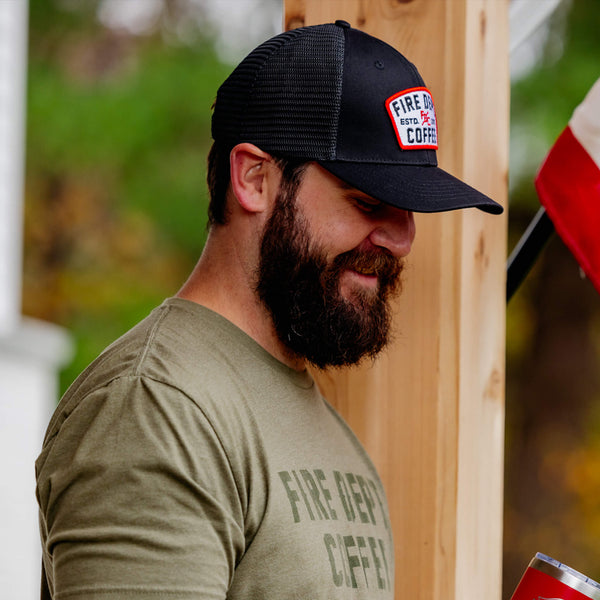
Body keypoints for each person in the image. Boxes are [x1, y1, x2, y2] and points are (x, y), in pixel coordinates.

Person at [35, 20, 502, 600]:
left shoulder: (320, 427)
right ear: (254, 178)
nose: (401, 239)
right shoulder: (156, 408)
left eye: (408, 211)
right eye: (367, 202)